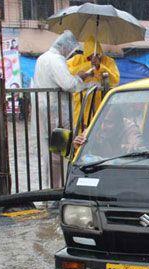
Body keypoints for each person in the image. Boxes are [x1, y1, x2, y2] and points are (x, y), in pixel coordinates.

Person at [32, 30, 91, 188]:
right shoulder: (56, 60)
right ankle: (57, 191)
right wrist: (81, 78)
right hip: (56, 114)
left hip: (44, 112)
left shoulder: (42, 58)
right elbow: (69, 85)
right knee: (59, 154)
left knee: (51, 154)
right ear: (66, 47)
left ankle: (51, 190)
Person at [67, 35, 120, 130]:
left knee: (98, 132)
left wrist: (100, 67)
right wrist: (88, 67)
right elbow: (67, 72)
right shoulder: (77, 59)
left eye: (96, 55)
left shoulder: (108, 61)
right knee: (80, 135)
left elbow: (115, 80)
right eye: (89, 57)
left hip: (100, 104)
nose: (93, 58)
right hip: (81, 105)